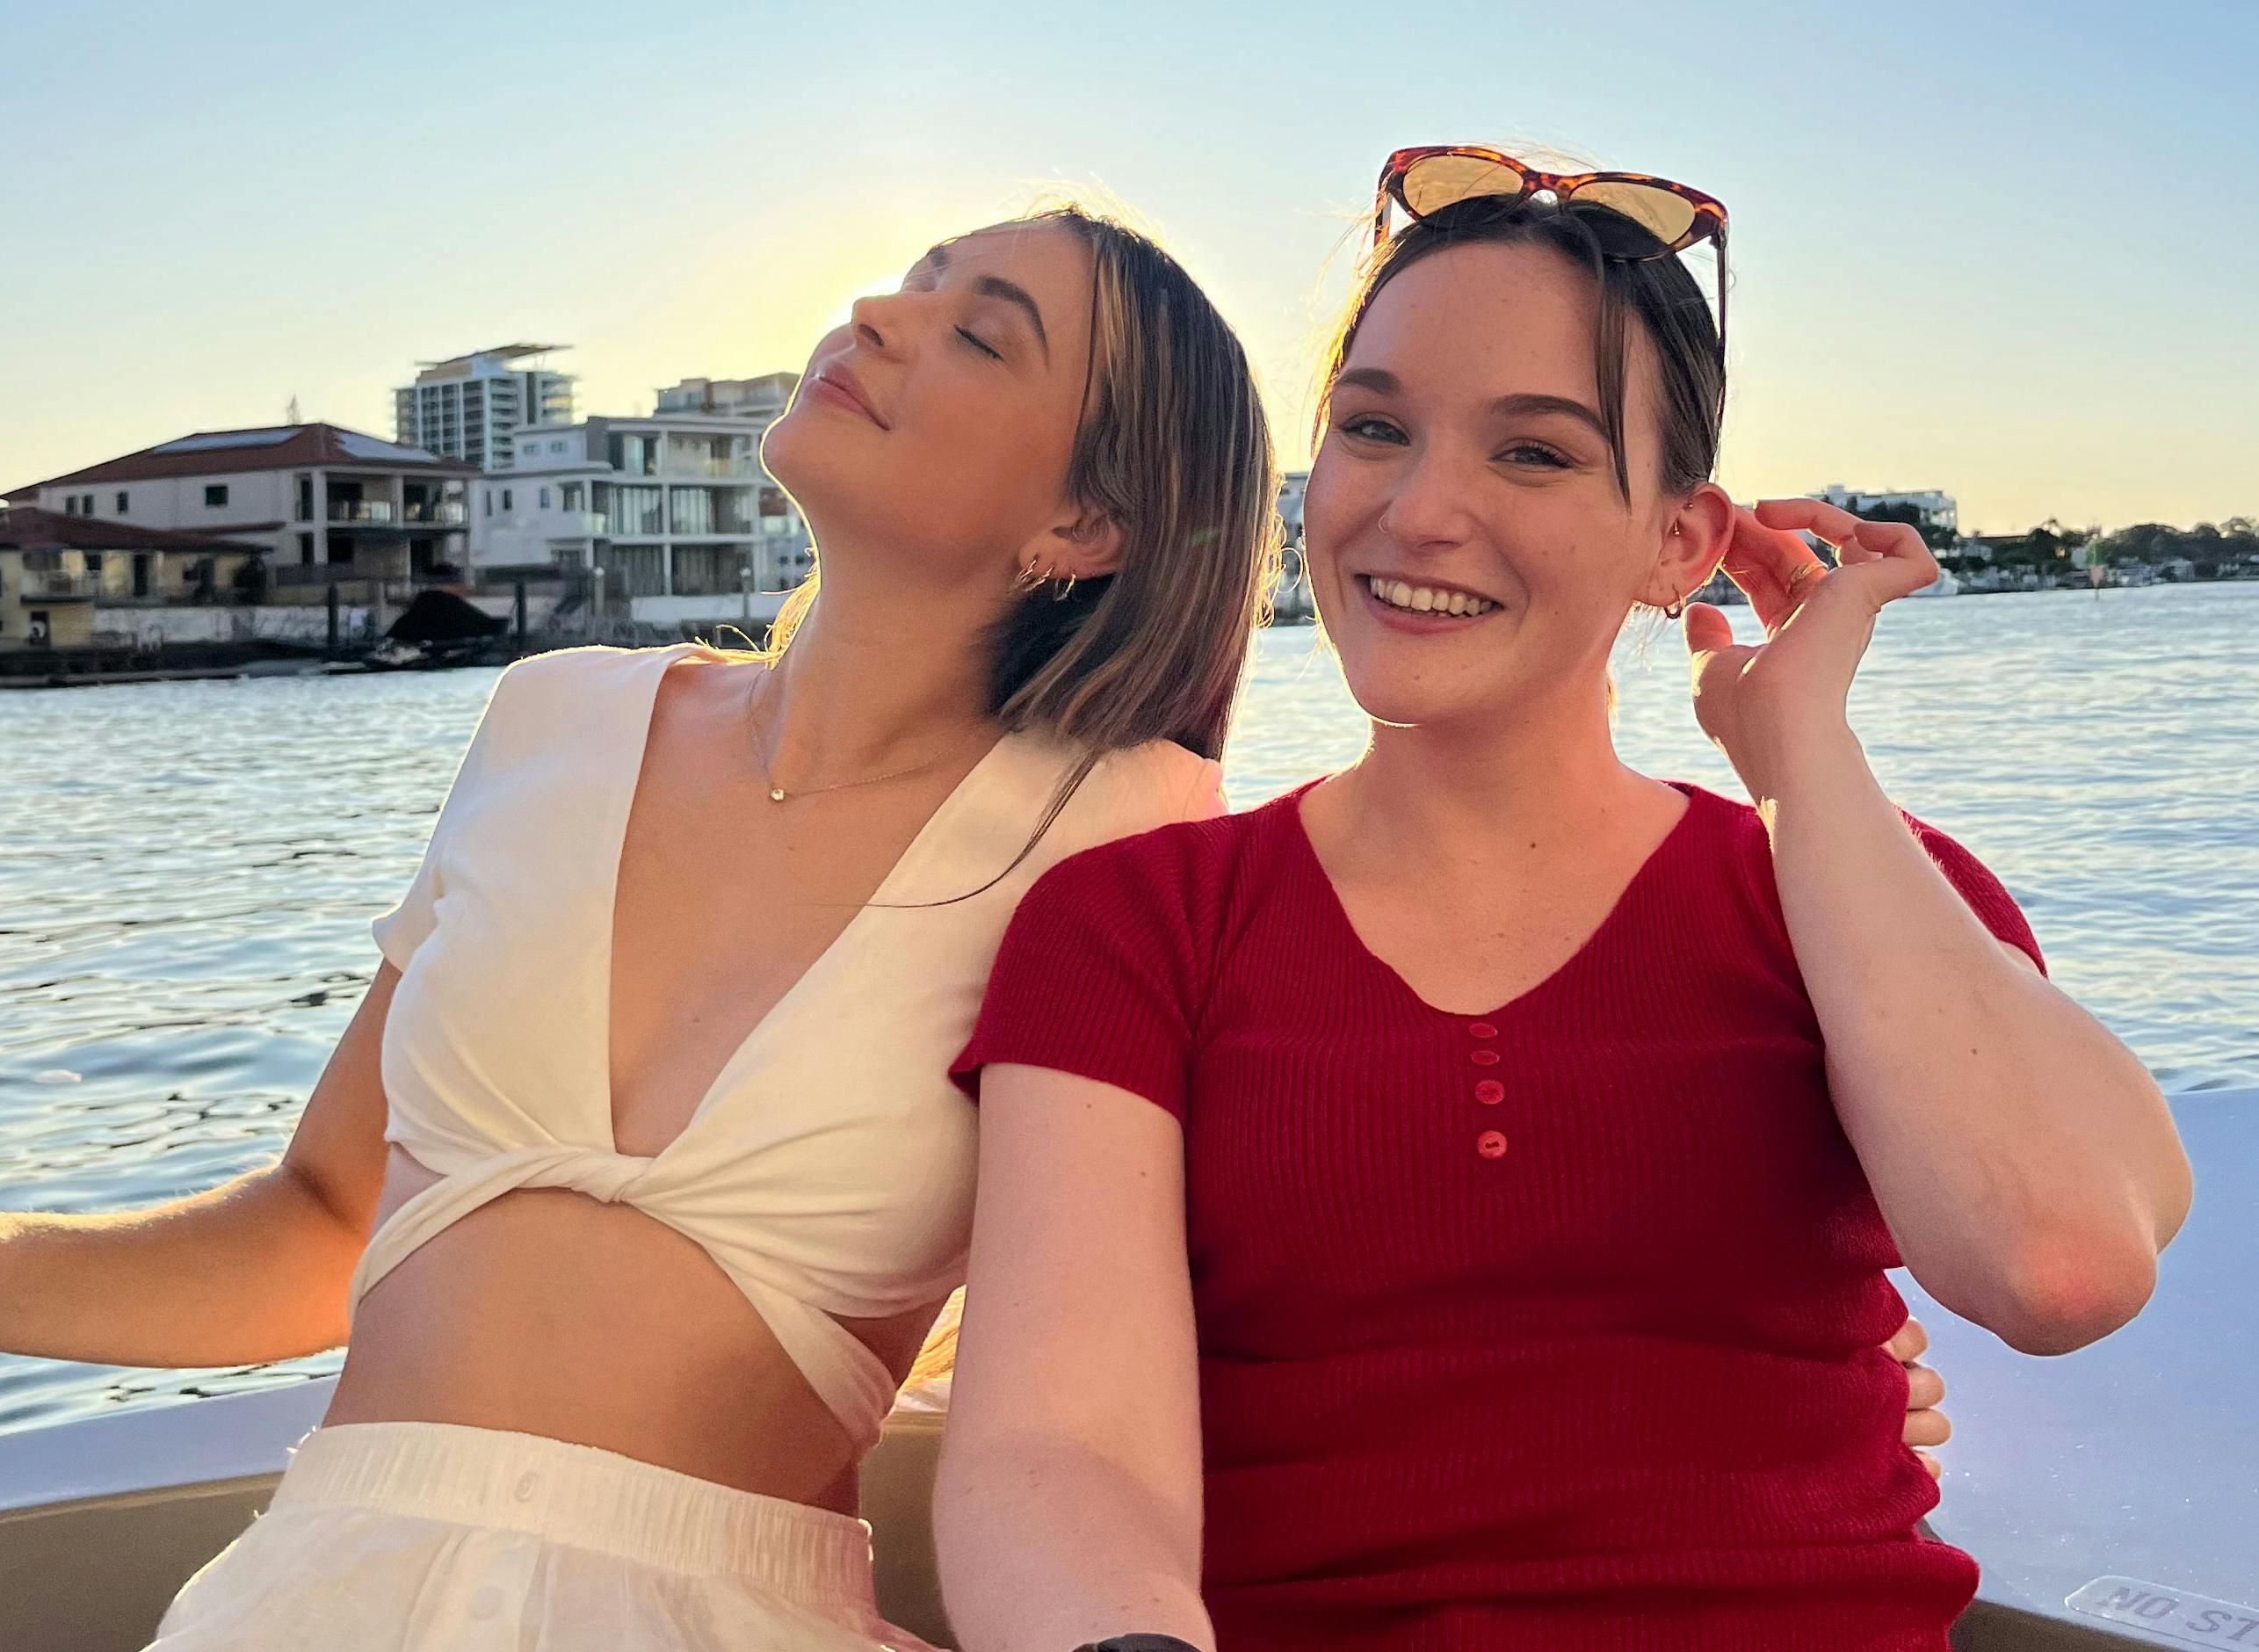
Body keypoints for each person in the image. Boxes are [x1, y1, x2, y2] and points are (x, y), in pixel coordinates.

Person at [0, 204, 1280, 1650]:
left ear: (1085, 520)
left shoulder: (1130, 832)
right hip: (307, 1600)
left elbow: (1157, 1359)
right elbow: (323, 1228)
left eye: (981, 334)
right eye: (910, 276)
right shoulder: (552, 715)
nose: (883, 314)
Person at [937, 149, 2192, 1652]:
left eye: (1532, 454)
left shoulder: (1853, 892)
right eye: (1373, 428)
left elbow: (2058, 1262)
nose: (1417, 509)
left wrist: (1802, 758)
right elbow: (1057, 1457)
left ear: (1679, 542)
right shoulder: (1139, 926)